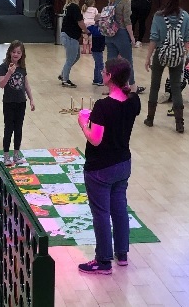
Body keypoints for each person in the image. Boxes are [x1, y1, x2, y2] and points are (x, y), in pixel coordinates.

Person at [77, 58, 141, 275]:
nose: (102, 72)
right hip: (123, 163)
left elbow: (95, 139)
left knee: (101, 213)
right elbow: (128, 92)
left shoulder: (103, 106)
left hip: (100, 168)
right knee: (120, 209)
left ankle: (103, 261)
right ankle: (121, 254)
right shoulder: (134, 101)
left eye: (104, 71)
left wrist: (83, 123)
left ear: (109, 76)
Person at [143, 0, 189, 133]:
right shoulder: (186, 16)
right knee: (176, 87)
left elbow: (153, 38)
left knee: (155, 86)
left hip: (161, 54)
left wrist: (147, 58)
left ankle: (150, 119)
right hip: (177, 55)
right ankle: (179, 123)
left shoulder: (158, 16)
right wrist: (185, 54)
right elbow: (186, 38)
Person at [105, 0, 144, 94]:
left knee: (111, 62)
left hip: (109, 33)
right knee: (128, 61)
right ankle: (132, 86)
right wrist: (132, 37)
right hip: (121, 33)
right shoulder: (126, 1)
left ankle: (110, 86)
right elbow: (127, 21)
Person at [0, 40, 35, 167]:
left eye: (18, 52)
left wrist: (31, 99)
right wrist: (9, 72)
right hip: (9, 102)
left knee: (18, 128)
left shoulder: (22, 67)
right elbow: (1, 85)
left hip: (21, 102)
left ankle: (16, 154)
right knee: (8, 128)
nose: (16, 54)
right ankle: (6, 155)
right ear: (9, 52)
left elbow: (26, 84)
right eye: (13, 52)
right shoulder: (4, 66)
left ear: (22, 54)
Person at [59, 0, 89, 88]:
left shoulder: (68, 6)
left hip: (69, 36)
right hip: (70, 36)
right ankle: (65, 79)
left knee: (76, 56)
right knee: (71, 58)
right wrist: (86, 31)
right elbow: (80, 22)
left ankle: (63, 74)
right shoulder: (74, 7)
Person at [87, 22, 106, 86]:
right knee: (100, 65)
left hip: (96, 50)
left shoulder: (94, 28)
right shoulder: (98, 29)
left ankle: (96, 79)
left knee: (97, 64)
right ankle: (100, 80)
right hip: (97, 50)